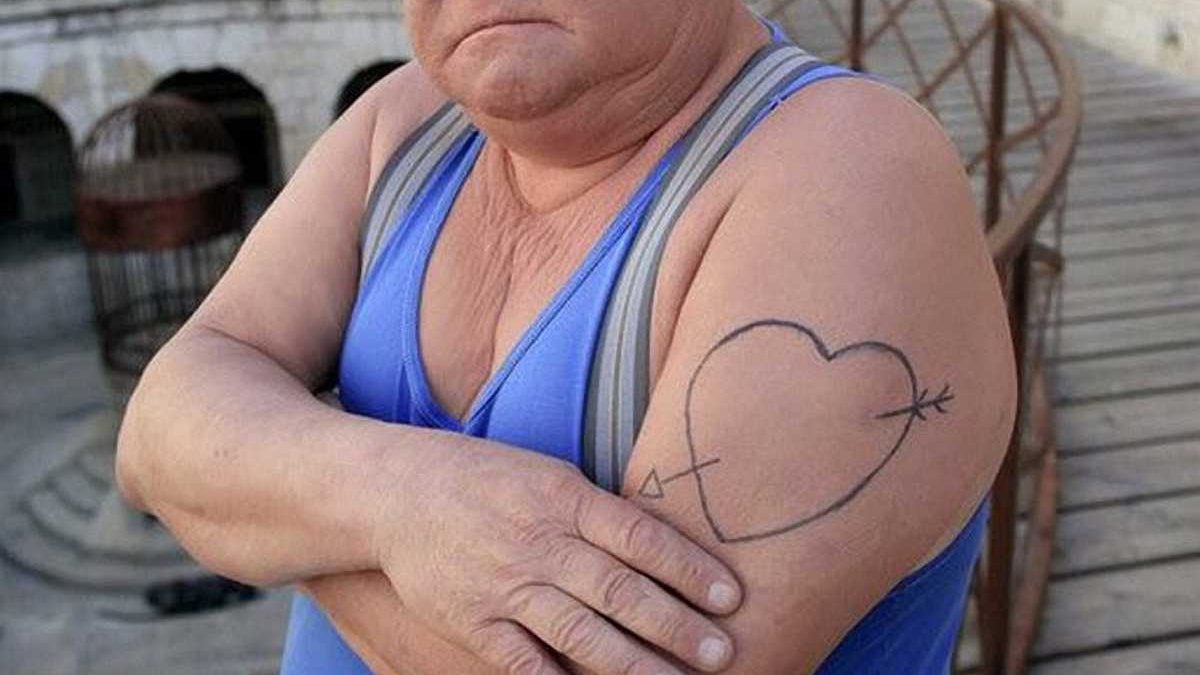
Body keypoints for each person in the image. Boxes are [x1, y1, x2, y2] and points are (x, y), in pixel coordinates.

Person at [114, 1, 1017, 673]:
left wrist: (277, 511)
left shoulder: (851, 173)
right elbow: (154, 434)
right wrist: (399, 503)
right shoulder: (406, 123)